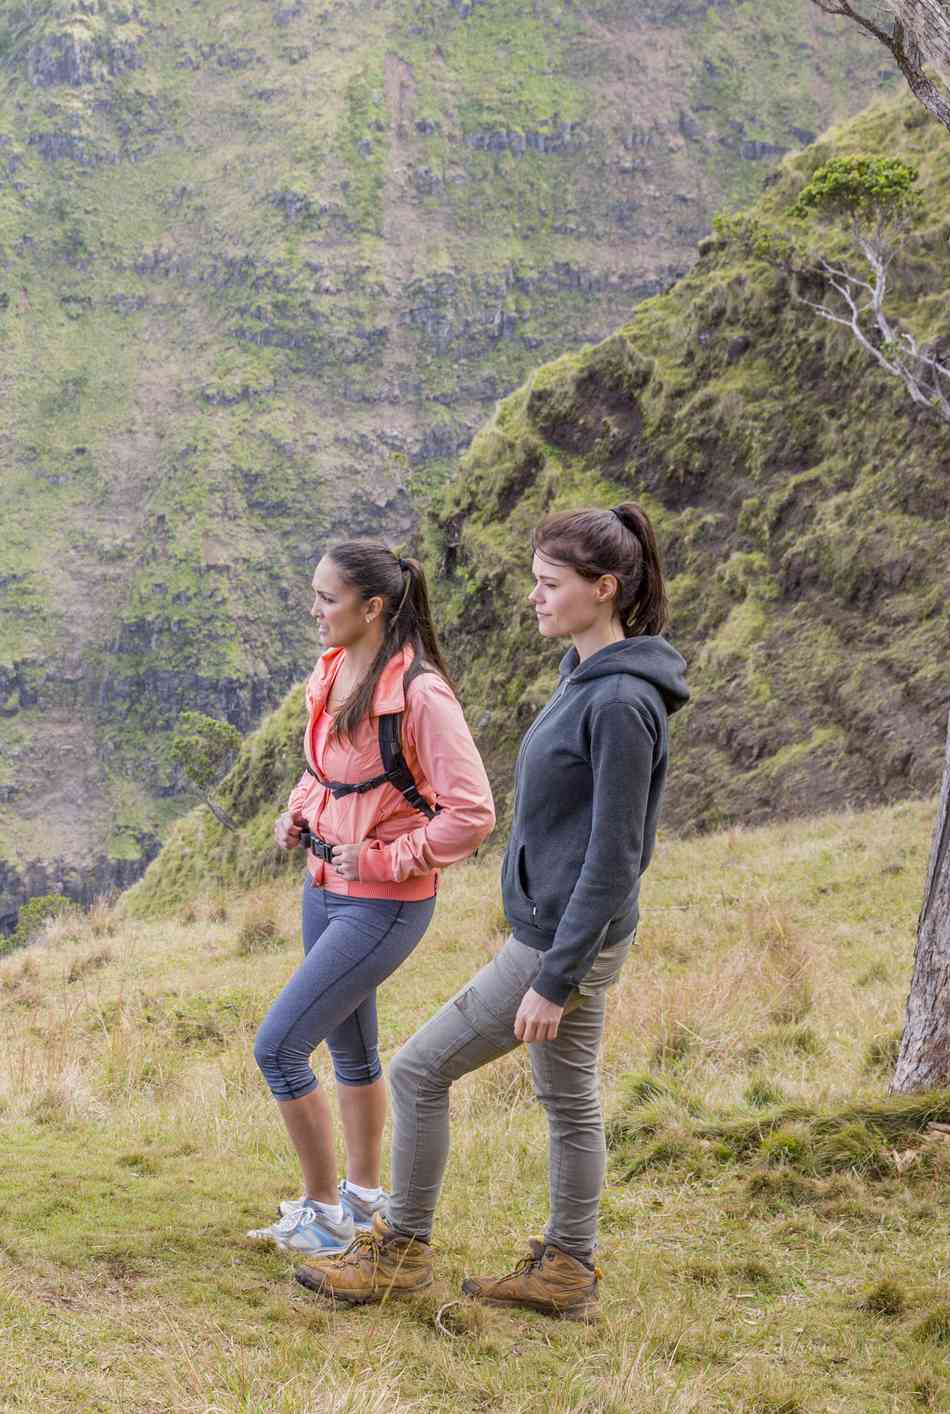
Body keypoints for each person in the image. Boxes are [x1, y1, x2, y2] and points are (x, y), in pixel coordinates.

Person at [297, 503, 689, 1321]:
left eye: (550, 585)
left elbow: (615, 854)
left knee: (416, 1070)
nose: (534, 599)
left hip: (558, 942)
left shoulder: (618, 703)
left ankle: (401, 1252)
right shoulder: (584, 677)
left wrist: (553, 977)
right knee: (569, 1099)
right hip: (564, 935)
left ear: (603, 588)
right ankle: (565, 1270)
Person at [246, 542, 494, 1256]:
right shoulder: (331, 672)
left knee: (279, 1048)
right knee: (350, 1050)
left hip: (383, 904)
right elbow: (323, 772)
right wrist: (297, 812)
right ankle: (358, 1198)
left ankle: (322, 1216)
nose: (314, 609)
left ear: (372, 607)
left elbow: (471, 812)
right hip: (322, 888)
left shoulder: (421, 695)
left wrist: (388, 857)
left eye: (327, 598)